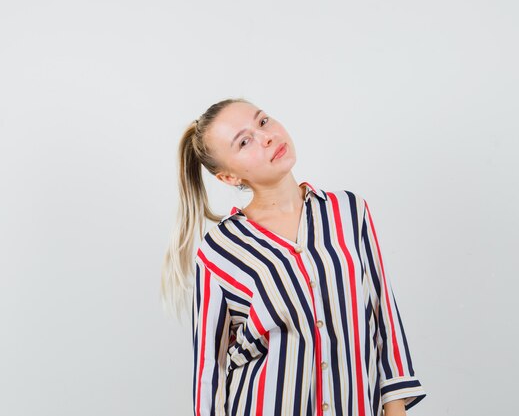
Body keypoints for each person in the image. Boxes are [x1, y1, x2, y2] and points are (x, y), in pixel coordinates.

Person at [161, 98, 427, 415]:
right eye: (244, 142)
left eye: (263, 122)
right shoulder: (219, 249)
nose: (267, 137)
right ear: (229, 177)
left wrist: (394, 408)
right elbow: (209, 368)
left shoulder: (349, 212)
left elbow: (384, 320)